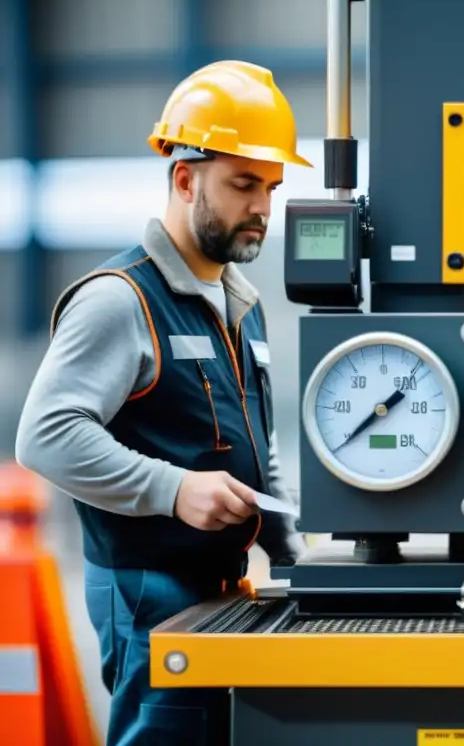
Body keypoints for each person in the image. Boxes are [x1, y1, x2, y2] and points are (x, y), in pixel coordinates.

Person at [15, 60, 310, 746]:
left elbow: (255, 449)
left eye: (270, 187)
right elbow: (45, 434)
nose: (263, 207)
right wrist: (173, 489)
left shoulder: (242, 305)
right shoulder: (122, 299)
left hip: (219, 586)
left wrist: (296, 558)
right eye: (243, 184)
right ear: (185, 178)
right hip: (148, 588)